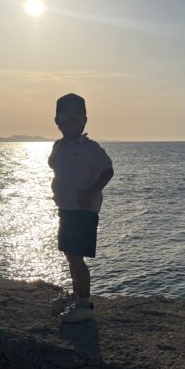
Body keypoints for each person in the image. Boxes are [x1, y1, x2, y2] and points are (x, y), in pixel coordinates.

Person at [48, 93, 114, 323]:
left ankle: (84, 304)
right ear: (57, 121)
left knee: (76, 257)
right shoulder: (59, 147)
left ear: (85, 120)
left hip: (83, 211)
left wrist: (91, 192)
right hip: (66, 209)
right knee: (69, 254)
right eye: (66, 114)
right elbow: (55, 166)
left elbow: (108, 170)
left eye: (77, 114)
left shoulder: (90, 148)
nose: (72, 117)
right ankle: (76, 296)